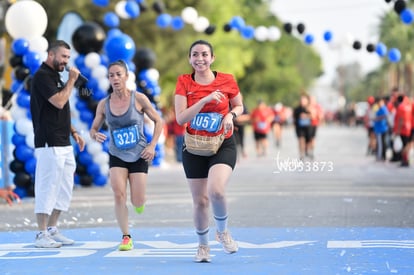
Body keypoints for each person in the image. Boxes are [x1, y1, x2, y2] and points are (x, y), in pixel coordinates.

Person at [174, 40, 244, 263]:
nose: (200, 59)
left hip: (222, 143)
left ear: (212, 58)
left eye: (205, 54)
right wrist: (203, 100)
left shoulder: (227, 80)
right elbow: (181, 118)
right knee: (201, 201)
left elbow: (239, 106)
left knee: (216, 191)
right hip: (194, 146)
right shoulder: (184, 82)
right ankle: (203, 247)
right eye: (195, 55)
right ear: (189, 59)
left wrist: (230, 116)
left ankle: (222, 231)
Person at [89, 60, 163, 251]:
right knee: (118, 193)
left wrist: (152, 145)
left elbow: (158, 121)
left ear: (126, 77)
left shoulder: (138, 99)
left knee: (137, 200)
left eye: (118, 74)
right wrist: (95, 134)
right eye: (111, 75)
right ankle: (126, 236)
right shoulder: (104, 104)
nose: (114, 78)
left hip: (139, 153)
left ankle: (139, 202)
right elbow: (93, 128)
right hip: (117, 154)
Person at [30, 40, 85, 248]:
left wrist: (74, 132)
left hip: (64, 141)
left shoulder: (57, 77)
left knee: (64, 188)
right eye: (63, 57)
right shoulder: (42, 76)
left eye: (68, 58)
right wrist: (71, 80)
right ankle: (41, 233)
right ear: (51, 55)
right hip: (48, 142)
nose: (66, 62)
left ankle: (52, 228)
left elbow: (62, 111)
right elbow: (59, 102)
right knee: (47, 186)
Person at [293, 93, 312, 160]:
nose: (302, 102)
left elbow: (313, 116)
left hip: (308, 127)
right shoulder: (297, 109)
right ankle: (301, 154)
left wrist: (306, 116)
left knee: (308, 141)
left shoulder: (310, 108)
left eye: (304, 100)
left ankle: (308, 151)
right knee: (301, 140)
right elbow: (294, 118)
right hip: (299, 127)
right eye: (301, 100)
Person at [373, 97, 389, 162]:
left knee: (381, 144)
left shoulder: (383, 108)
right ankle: (381, 156)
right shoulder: (379, 109)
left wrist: (377, 118)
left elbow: (385, 115)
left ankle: (380, 156)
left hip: (382, 129)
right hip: (378, 128)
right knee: (381, 143)